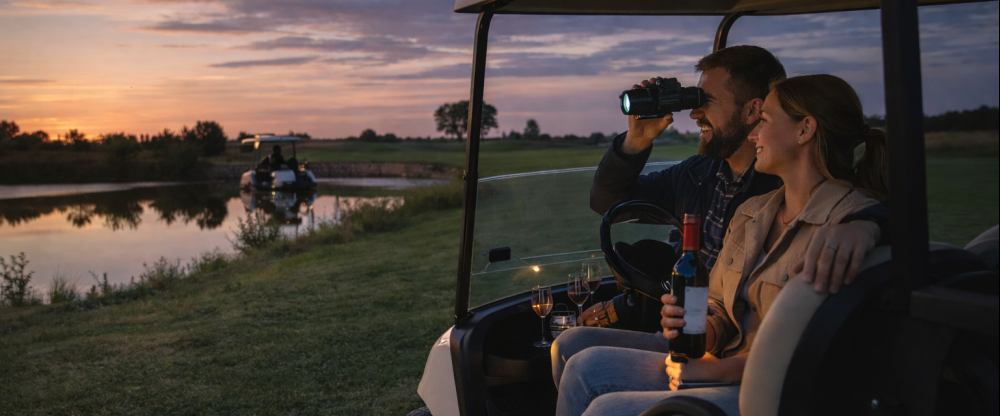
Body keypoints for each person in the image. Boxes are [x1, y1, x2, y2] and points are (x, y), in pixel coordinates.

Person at [555, 74, 889, 416]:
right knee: (584, 368)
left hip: (778, 391)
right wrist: (702, 328)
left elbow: (824, 350)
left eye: (764, 121)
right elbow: (720, 306)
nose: (753, 134)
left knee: (605, 410)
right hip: (718, 362)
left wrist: (873, 222)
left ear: (805, 130)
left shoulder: (848, 226)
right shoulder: (752, 212)